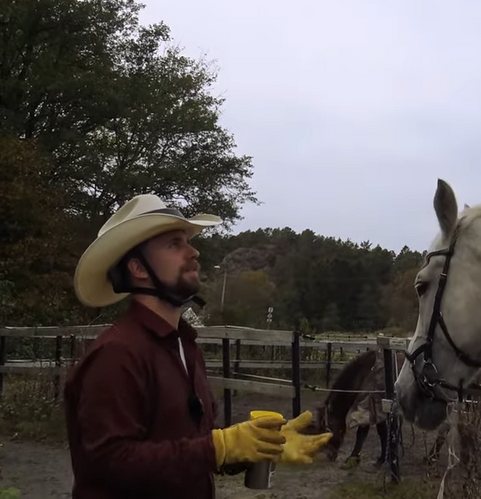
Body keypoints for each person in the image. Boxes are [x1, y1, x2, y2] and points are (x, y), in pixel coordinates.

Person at [63, 194, 332, 498]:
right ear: (138, 269)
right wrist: (219, 447)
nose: (194, 252)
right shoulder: (117, 353)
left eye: (188, 241)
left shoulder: (185, 346)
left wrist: (253, 447)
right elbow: (109, 464)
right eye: (175, 244)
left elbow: (188, 448)